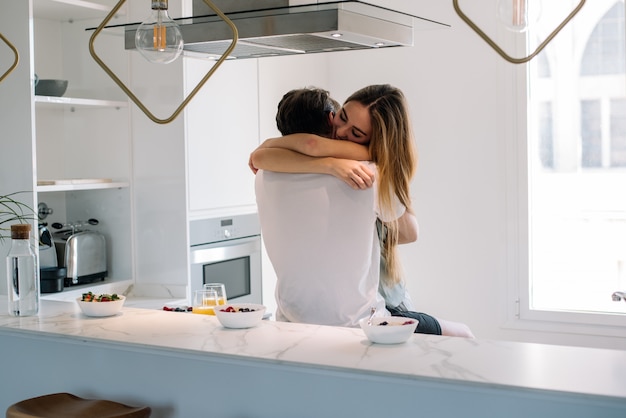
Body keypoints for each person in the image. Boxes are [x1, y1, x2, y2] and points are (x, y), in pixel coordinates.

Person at [252, 85, 474, 337]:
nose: (342, 132)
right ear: (330, 117)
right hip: (363, 324)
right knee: (463, 333)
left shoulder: (264, 173)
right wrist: (385, 165)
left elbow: (289, 151)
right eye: (342, 119)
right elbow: (410, 233)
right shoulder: (368, 174)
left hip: (291, 321)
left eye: (356, 132)